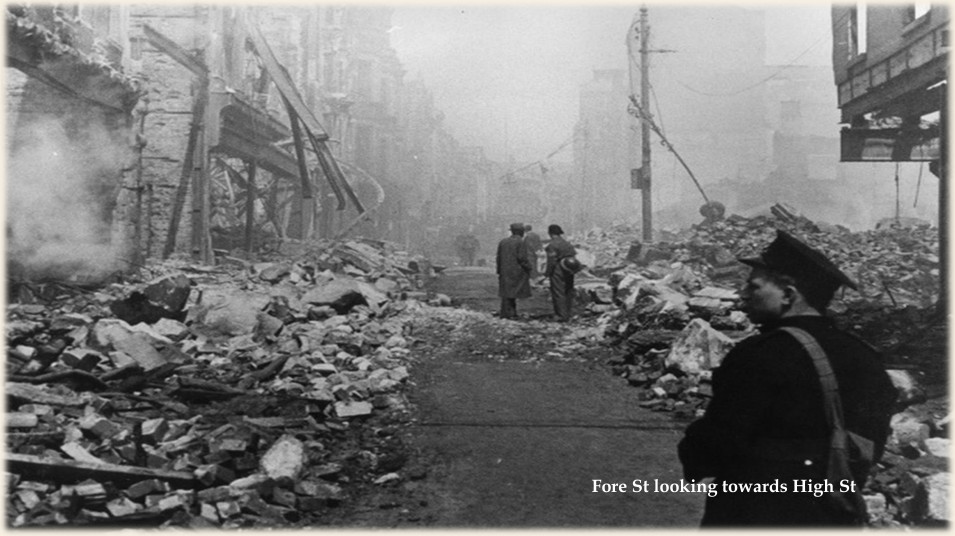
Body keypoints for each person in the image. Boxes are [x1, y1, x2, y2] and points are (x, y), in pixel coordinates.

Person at [677, 230, 896, 527]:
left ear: (788, 295)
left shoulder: (758, 354)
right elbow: (871, 442)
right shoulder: (865, 356)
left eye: (753, 286)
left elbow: (716, 442)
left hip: (755, 512)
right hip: (831, 514)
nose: (743, 293)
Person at [495, 222, 532, 319]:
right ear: (520, 232)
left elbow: (498, 258)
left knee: (507, 293)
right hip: (517, 271)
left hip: (505, 271)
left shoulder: (503, 242)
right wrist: (529, 267)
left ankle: (507, 312)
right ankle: (510, 313)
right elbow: (522, 258)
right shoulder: (520, 242)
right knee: (513, 293)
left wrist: (499, 270)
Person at [543, 224, 577, 322]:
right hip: (569, 269)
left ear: (550, 233)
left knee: (558, 292)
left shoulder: (552, 245)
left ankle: (561, 315)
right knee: (568, 291)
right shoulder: (567, 244)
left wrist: (547, 274)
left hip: (558, 270)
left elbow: (551, 261)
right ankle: (568, 313)